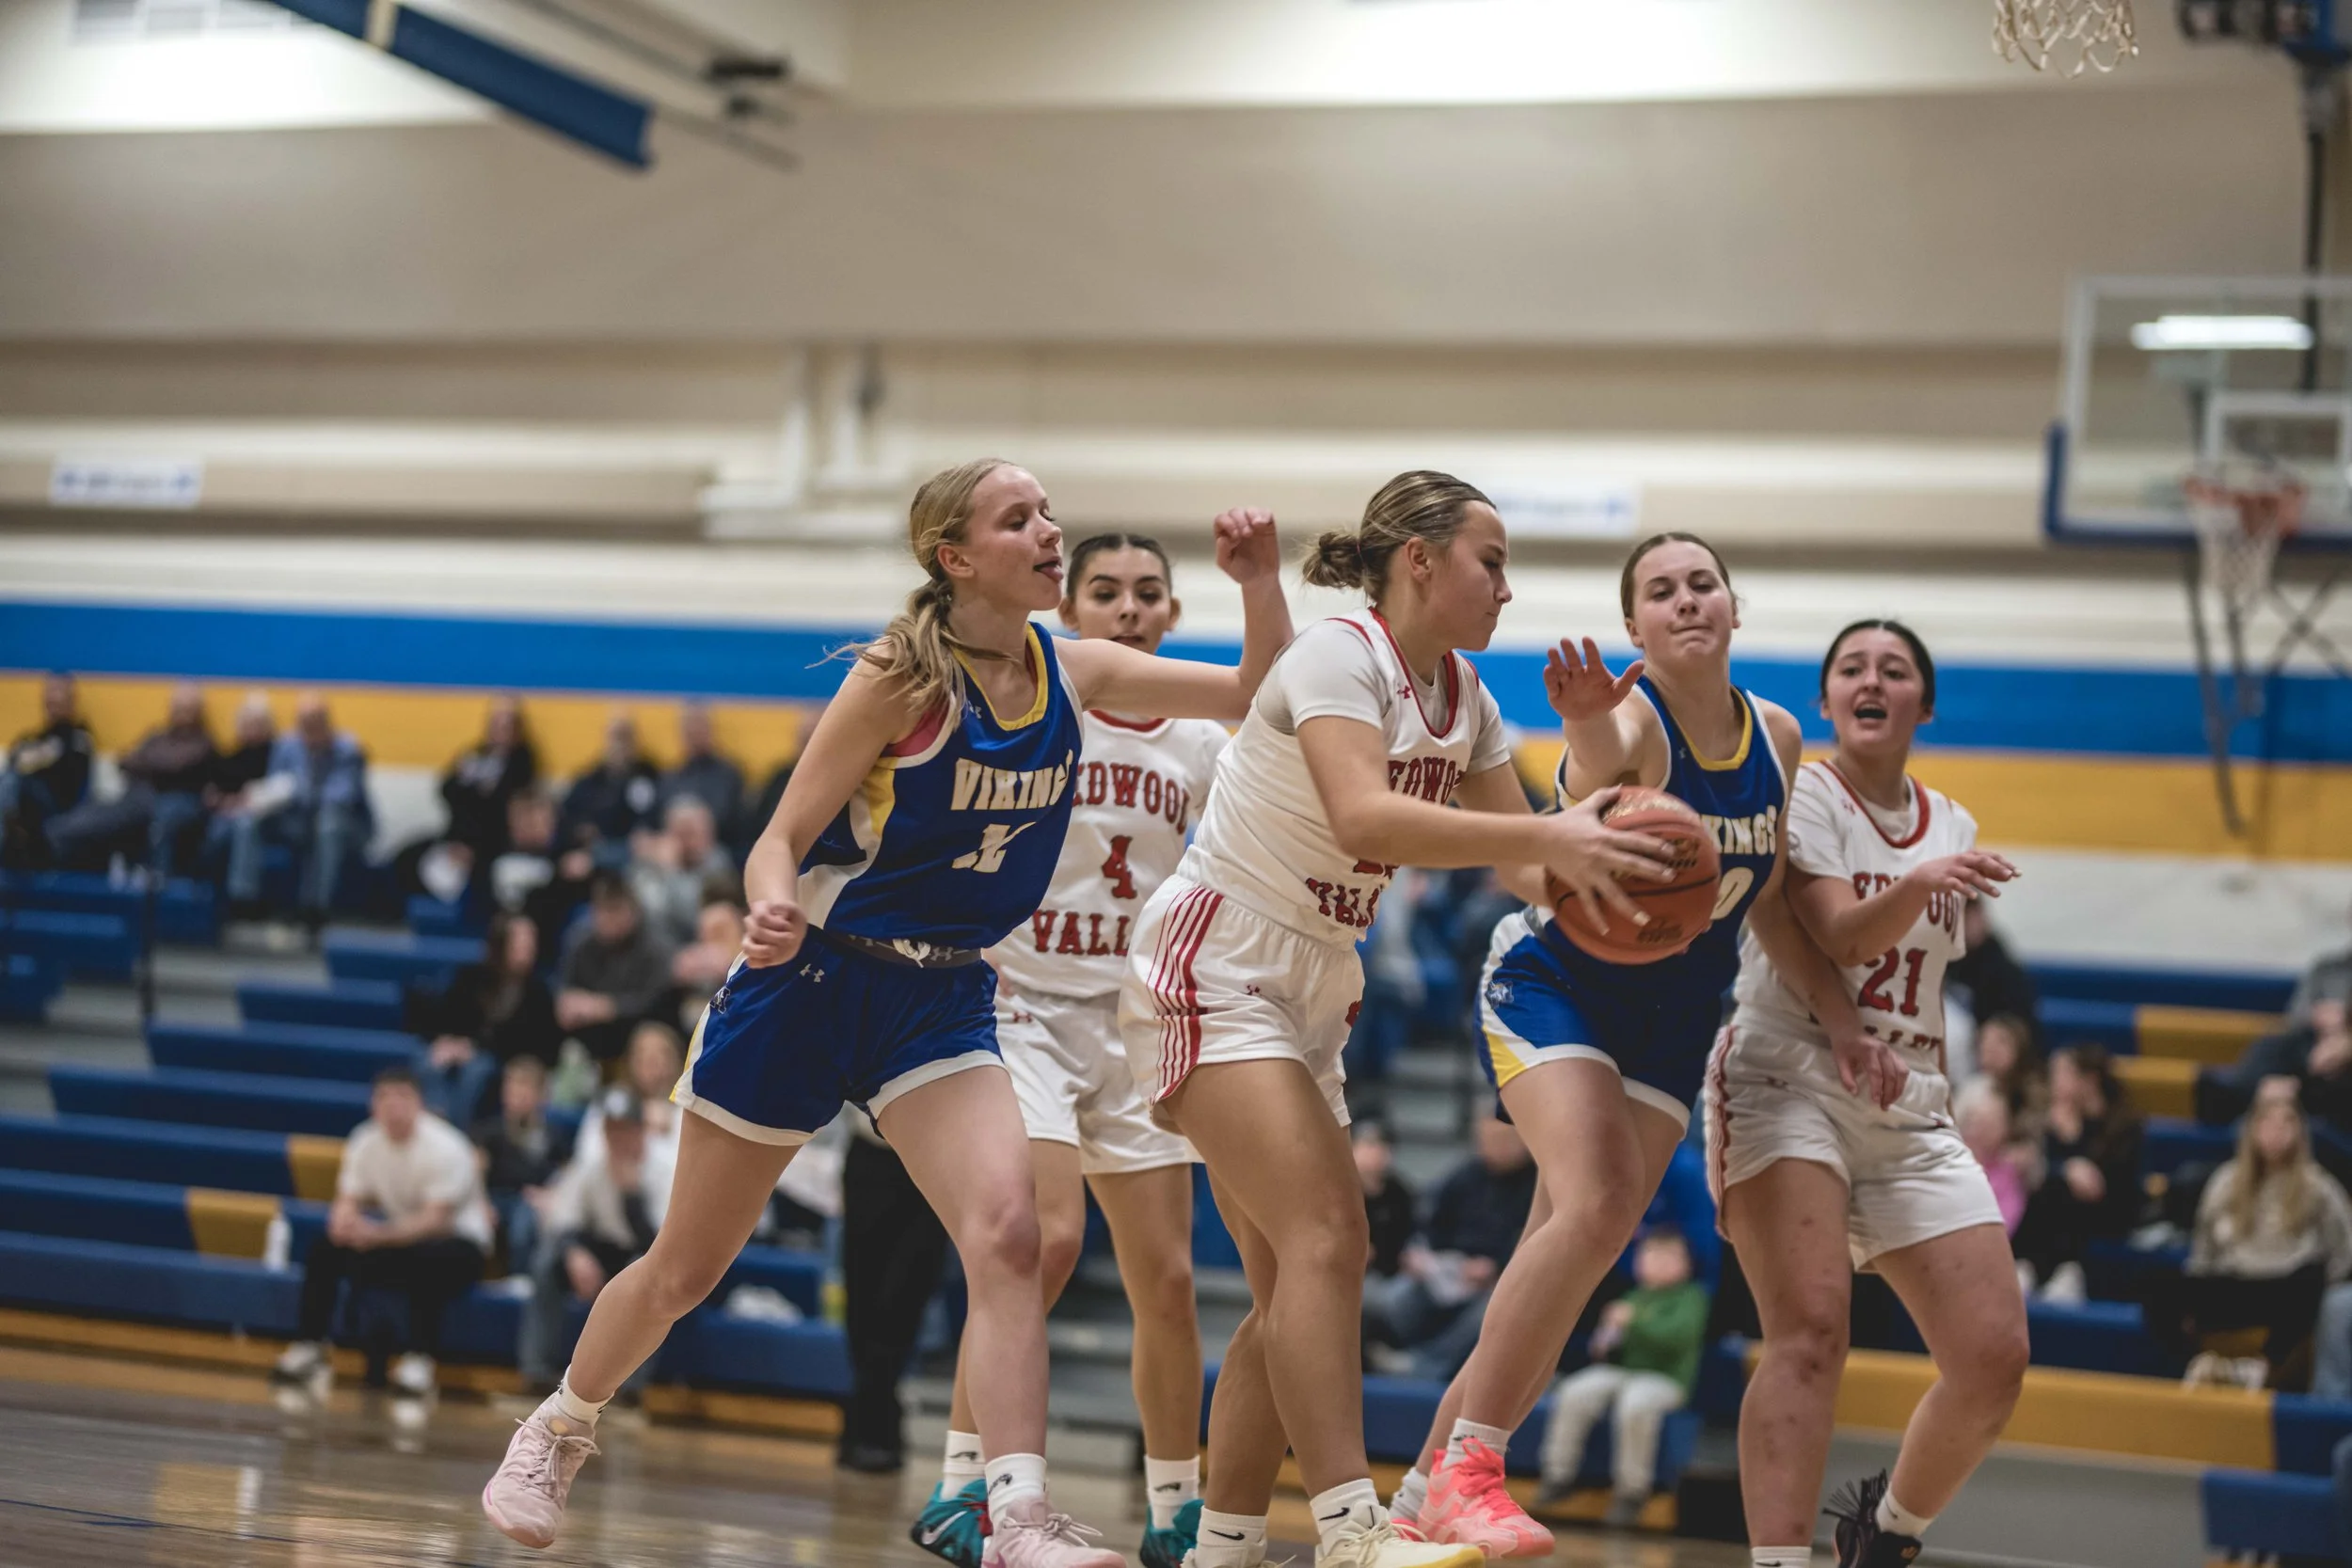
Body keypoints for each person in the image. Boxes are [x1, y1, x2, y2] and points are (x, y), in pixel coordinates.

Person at [479, 457, 1294, 1568]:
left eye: (1050, 511)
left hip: (943, 993)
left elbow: (1254, 688)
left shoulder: (1080, 666)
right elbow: (776, 837)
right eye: (1023, 518)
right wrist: (768, 909)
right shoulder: (897, 680)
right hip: (811, 981)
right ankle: (560, 1422)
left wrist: (1257, 579)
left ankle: (1014, 1518)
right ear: (957, 557)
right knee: (686, 1265)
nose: (1052, 531)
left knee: (1009, 1238)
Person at [1121, 471, 1672, 1568]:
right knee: (1336, 1234)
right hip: (1218, 953)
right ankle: (1352, 1529)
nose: (1507, 588)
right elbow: (1363, 813)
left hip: (1315, 981)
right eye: (1492, 560)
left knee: (1291, 1288)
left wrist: (1620, 862)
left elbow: (1524, 861)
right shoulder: (1338, 653)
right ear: (1418, 559)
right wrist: (1557, 846)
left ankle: (1220, 1546)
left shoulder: (1463, 696)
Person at [1390, 535, 1861, 1560]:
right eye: (1660, 590)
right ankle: (1473, 1469)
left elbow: (1772, 901)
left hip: (1678, 1014)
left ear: (1733, 605)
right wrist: (1585, 719)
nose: (1686, 599)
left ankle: (1415, 1497)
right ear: (1637, 626)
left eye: (1702, 583)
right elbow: (1589, 775)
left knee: (1565, 1253)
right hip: (1558, 985)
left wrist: (1842, 1015)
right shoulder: (1632, 721)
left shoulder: (1776, 735)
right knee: (1600, 1203)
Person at [916, 530, 1232, 1568]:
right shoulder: (1031, 706)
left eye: (1149, 592)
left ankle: (1174, 1503)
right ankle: (966, 1487)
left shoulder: (1200, 741)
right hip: (1021, 1007)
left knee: (1170, 1282)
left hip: (1134, 1013)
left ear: (1172, 616)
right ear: (1071, 608)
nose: (1130, 608)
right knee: (1042, 1242)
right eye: (1108, 590)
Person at [1700, 618, 2028, 1568]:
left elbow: (1919, 972)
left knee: (1991, 1355)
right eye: (1851, 668)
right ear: (1828, 698)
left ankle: (1884, 1535)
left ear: (1924, 703)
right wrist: (1920, 880)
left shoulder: (1950, 819)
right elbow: (1839, 933)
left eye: (1894, 669)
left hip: (1908, 1092)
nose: (1870, 680)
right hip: (1788, 1069)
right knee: (1807, 1330)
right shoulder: (1802, 790)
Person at [271, 1066, 492, 1398]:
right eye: (384, 1097)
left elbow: (437, 1221)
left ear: (419, 1103)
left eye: (402, 1097)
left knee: (426, 1258)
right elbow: (347, 1200)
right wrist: (344, 1224)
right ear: (373, 1105)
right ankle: (309, 1345)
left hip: (461, 1242)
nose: (393, 1106)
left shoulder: (447, 1146)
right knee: (324, 1249)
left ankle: (419, 1360)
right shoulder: (364, 1140)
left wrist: (377, 1235)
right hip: (398, 1236)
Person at [2149, 1080, 2352, 1389]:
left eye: (2287, 1122)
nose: (2276, 1131)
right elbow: (2204, 1251)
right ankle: (2198, 1363)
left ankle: (2262, 1368)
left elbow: (2343, 1251)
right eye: (2267, 1122)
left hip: (2285, 1289)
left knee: (2312, 1279)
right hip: (2235, 1282)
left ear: (2300, 1131)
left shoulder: (2319, 1187)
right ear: (2252, 1130)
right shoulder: (2226, 1182)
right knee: (2158, 1286)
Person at [1534, 1227, 1710, 1527]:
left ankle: (1632, 1491)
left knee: (1635, 1405)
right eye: (1650, 1254)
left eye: (1668, 1256)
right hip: (1623, 1372)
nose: (1657, 1262)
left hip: (1665, 1379)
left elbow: (1675, 1339)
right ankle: (1558, 1475)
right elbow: (1611, 1349)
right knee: (1575, 1390)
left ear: (1686, 1264)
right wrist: (1606, 1339)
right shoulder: (1634, 1295)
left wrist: (1634, 1323)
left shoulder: (1692, 1298)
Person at [1363, 1115, 1538, 1382]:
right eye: (1486, 1139)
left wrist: (1497, 1266)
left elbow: (1535, 1240)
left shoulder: (1537, 1186)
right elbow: (1433, 1224)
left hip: (1499, 1280)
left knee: (1492, 1313)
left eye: (1502, 1139)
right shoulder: (1465, 1176)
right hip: (1448, 1269)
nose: (1493, 1146)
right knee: (1396, 1298)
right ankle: (1395, 1355)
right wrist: (1431, 1257)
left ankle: (1425, 1368)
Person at [520, 1087, 665, 1391]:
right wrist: (574, 1253)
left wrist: (631, 1196)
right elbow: (563, 1218)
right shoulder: (592, 1167)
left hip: (643, 1255)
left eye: (623, 1129)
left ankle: (630, 1390)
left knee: (646, 1272)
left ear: (639, 1131)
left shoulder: (663, 1169)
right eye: (610, 1129)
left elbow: (659, 1243)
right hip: (600, 1251)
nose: (616, 1138)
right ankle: (536, 1374)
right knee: (548, 1261)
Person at [839, 1108, 951, 1474]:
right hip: (870, 1157)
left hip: (934, 1162)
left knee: (902, 1300)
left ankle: (871, 1424)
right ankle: (873, 1426)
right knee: (861, 1299)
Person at [225, 692, 373, 925]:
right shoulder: (287, 746)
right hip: (298, 820)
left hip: (346, 826)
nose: (308, 729)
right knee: (247, 819)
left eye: (315, 722)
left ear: (327, 722)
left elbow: (341, 796)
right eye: (303, 723)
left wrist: (295, 790)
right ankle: (244, 897)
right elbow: (275, 785)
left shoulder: (348, 749)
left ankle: (315, 908)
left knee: (327, 825)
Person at [2014, 1046, 2145, 1302]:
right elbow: (2039, 1173)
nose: (2054, 1083)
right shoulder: (2057, 1120)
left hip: (2113, 1210)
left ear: (2088, 1080)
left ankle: (2052, 1268)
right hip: (2067, 1211)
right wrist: (2065, 1157)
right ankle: (2038, 1267)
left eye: (2061, 1074)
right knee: (2055, 1189)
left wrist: (2071, 1150)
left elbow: (2105, 1185)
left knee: (2060, 1190)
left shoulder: (2125, 1125)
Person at [408, 910, 562, 1125]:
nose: (528, 949)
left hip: (502, 1058)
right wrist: (445, 1041)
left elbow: (535, 1041)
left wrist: (476, 1047)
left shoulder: (539, 992)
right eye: (521, 943)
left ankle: (457, 1130)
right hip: (462, 1048)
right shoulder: (471, 977)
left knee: (477, 1070)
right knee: (427, 1061)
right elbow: (444, 1015)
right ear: (502, 944)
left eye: (531, 942)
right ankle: (434, 1124)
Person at [2196, 921, 2352, 1131]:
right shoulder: (2327, 967)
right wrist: (2329, 1032)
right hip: (2315, 1047)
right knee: (2274, 1045)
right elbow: (2298, 1014)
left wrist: (2345, 1033)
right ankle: (2236, 1095)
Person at [554, 873, 675, 1066]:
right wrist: (566, 1004)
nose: (607, 919)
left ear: (633, 911)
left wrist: (607, 1007)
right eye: (601, 911)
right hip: (589, 1035)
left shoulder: (655, 946)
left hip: (637, 1032)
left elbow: (657, 1003)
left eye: (615, 910)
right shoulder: (581, 941)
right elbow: (566, 989)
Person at [472, 1054, 568, 1274]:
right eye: (513, 1088)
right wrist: (481, 1202)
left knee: (526, 1221)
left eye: (526, 1089)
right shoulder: (488, 1131)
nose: (518, 1096)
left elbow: (567, 1173)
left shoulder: (553, 1135)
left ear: (542, 1095)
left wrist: (551, 1194)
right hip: (497, 1198)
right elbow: (474, 1171)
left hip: (534, 1200)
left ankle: (523, 1279)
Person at [1, 673, 95, 868]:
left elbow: (71, 770)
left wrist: (38, 757)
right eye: (49, 694)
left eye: (58, 693)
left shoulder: (79, 736)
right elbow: (15, 760)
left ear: (71, 699)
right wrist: (43, 756)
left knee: (15, 781)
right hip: (24, 809)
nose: (52, 699)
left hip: (60, 809)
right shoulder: (33, 737)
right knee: (9, 780)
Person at [439, 694, 539, 870]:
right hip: (457, 835)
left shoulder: (522, 761)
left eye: (505, 726)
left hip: (495, 839)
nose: (498, 732)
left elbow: (501, 802)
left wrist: (471, 788)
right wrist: (474, 788)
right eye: (495, 724)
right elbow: (446, 789)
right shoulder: (475, 754)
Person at [629, 796, 735, 948]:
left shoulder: (717, 862)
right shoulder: (652, 862)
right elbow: (642, 914)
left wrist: (671, 872)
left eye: (692, 833)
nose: (687, 842)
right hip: (657, 952)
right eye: (681, 833)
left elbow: (692, 919)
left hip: (701, 949)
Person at [561, 713, 660, 863]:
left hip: (639, 849)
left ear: (635, 740)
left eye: (625, 737)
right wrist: (582, 828)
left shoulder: (650, 775)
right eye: (616, 737)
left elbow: (660, 810)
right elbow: (568, 813)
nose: (620, 744)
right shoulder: (589, 780)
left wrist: (647, 830)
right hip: (598, 847)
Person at [660, 699, 747, 838]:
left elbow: (728, 821)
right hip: (673, 850)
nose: (694, 732)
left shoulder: (728, 776)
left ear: (710, 730)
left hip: (716, 849)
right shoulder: (670, 777)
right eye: (689, 728)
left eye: (698, 726)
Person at [672, 896, 747, 1031]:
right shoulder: (689, 958)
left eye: (720, 931)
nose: (713, 937)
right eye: (707, 932)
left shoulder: (749, 957)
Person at [1356, 1123, 1419, 1282]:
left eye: (1381, 1146)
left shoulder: (1399, 1193)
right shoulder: (1341, 1193)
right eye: (1368, 1145)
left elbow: (1409, 1238)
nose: (1374, 1152)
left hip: (1394, 1273)